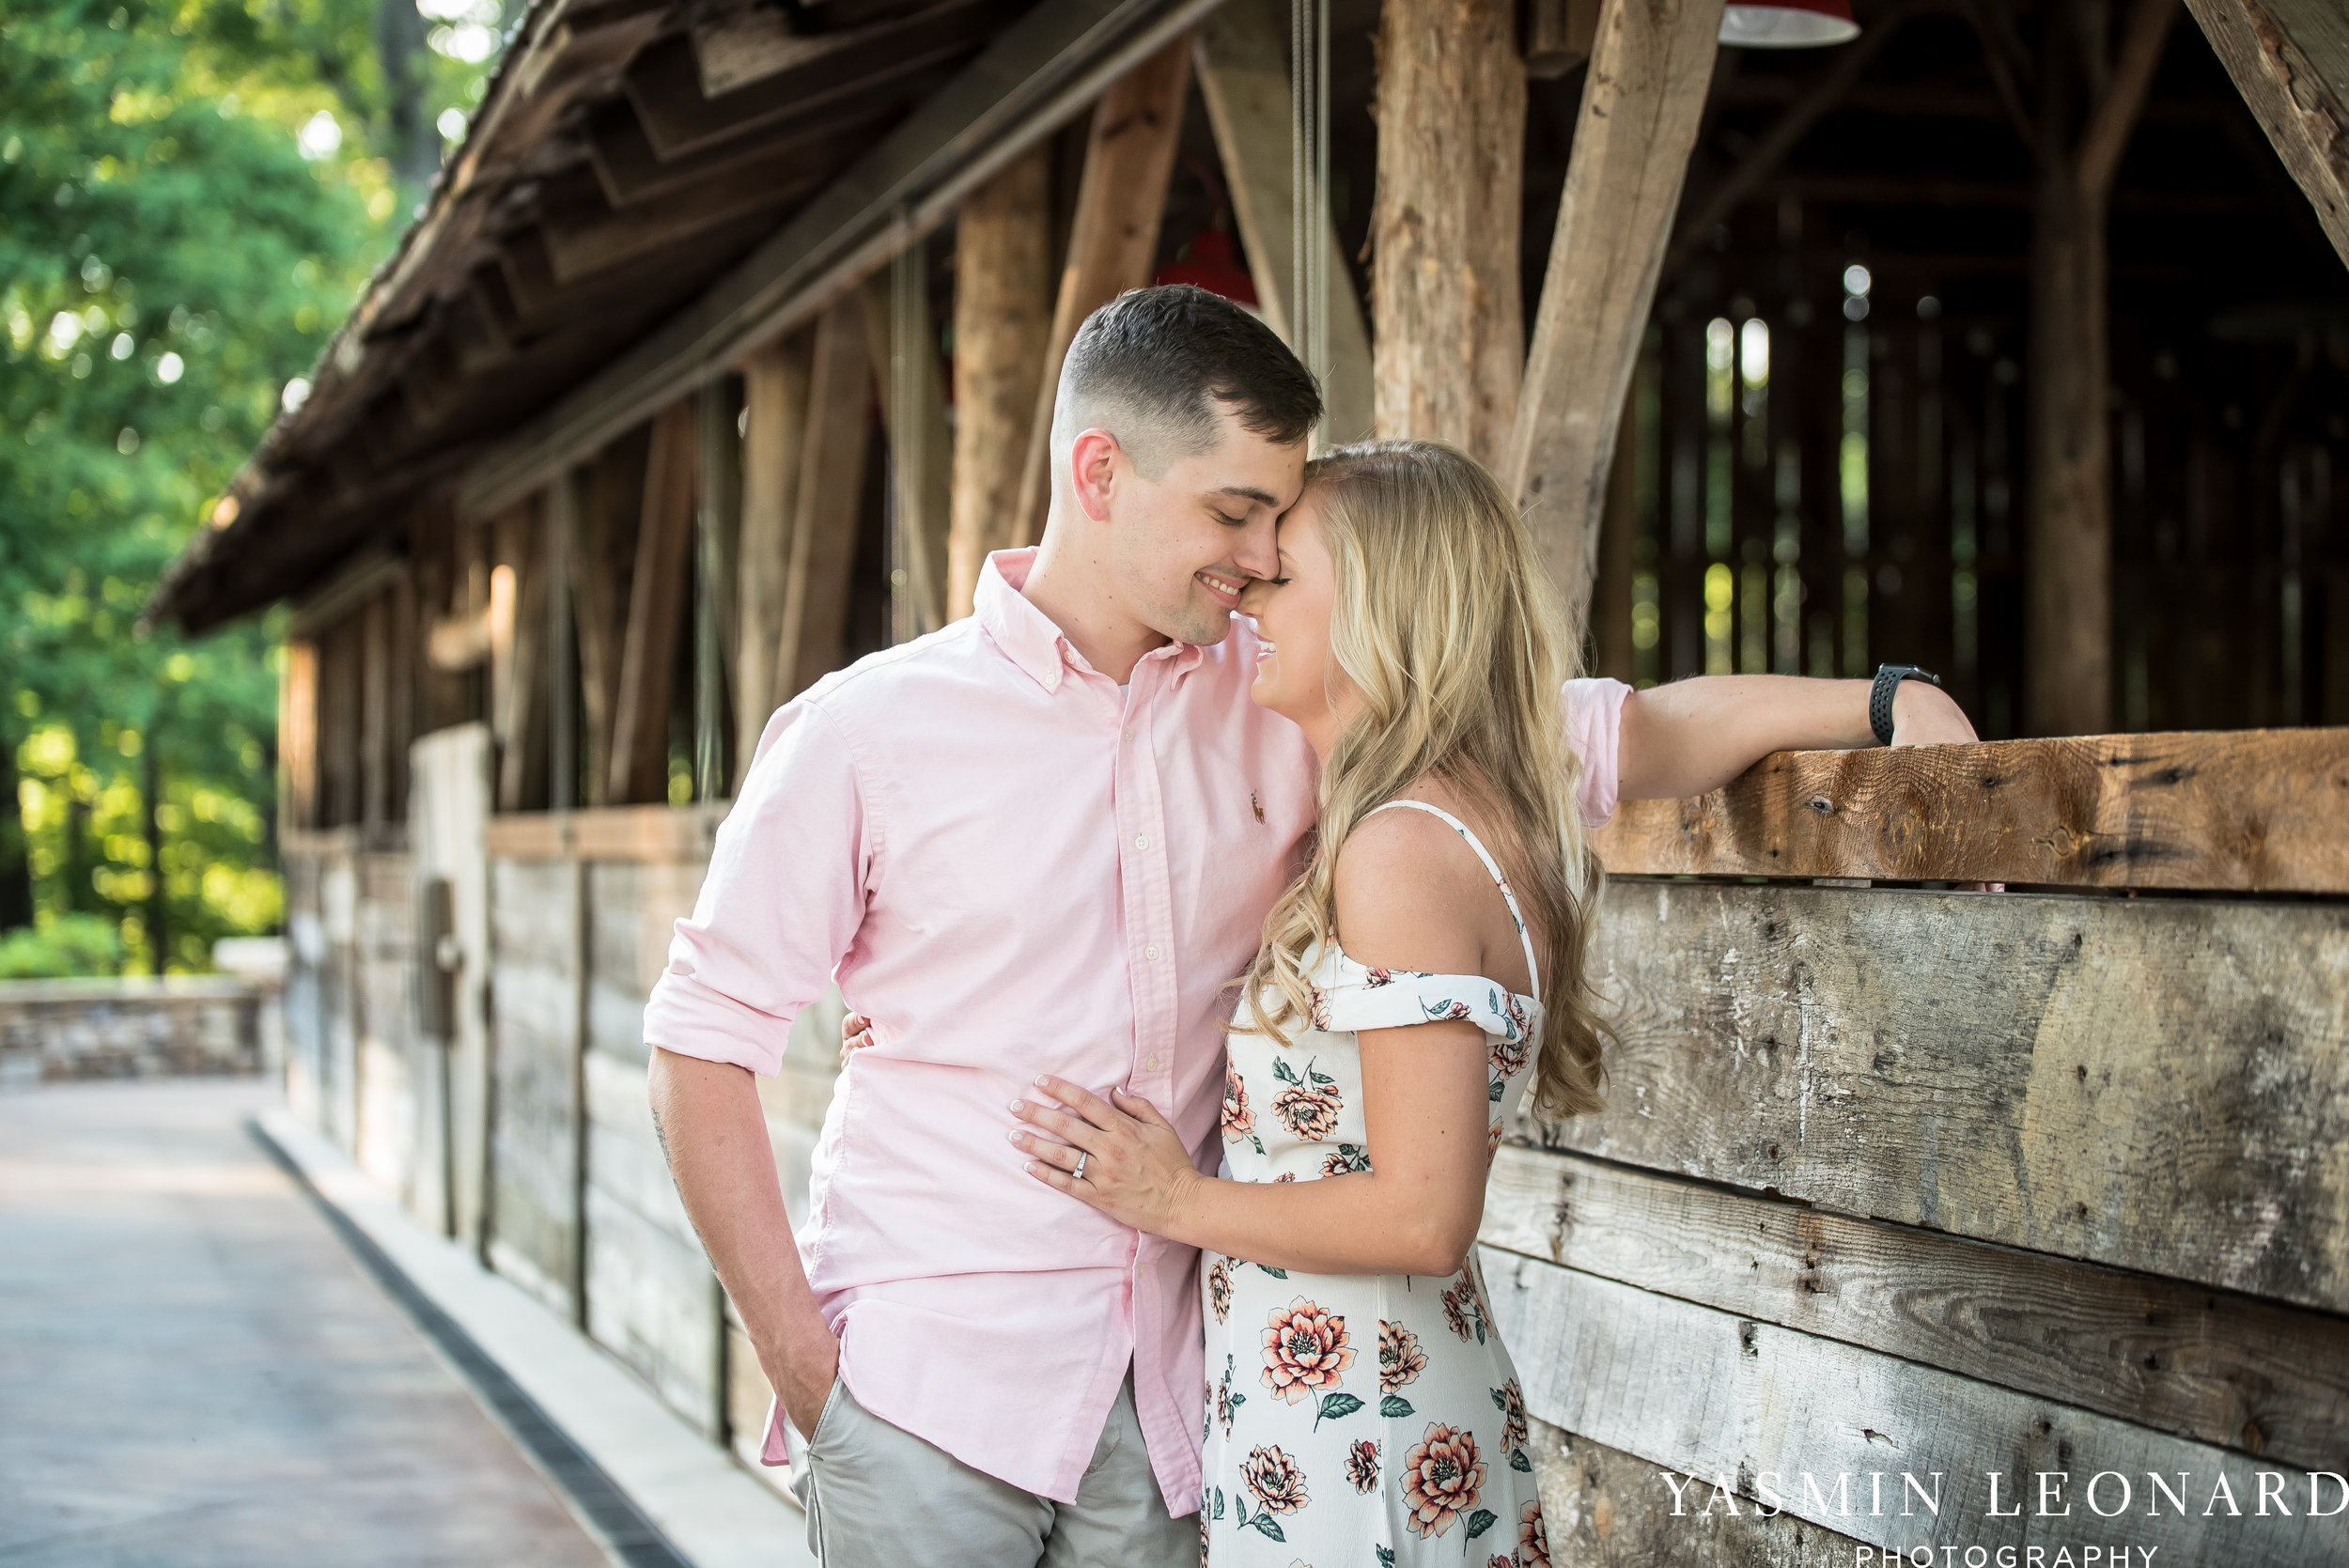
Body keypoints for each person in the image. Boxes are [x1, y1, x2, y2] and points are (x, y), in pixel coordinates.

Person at [646, 286, 1977, 1568]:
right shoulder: (868, 731)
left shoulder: (1283, 689)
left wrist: (1876, 701)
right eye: (1233, 511)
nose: (1258, 555)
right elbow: (702, 1043)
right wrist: (809, 1372)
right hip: (929, 1393)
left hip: (1185, 1408)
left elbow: (1609, 729)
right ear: (1099, 473)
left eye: (1277, 523)